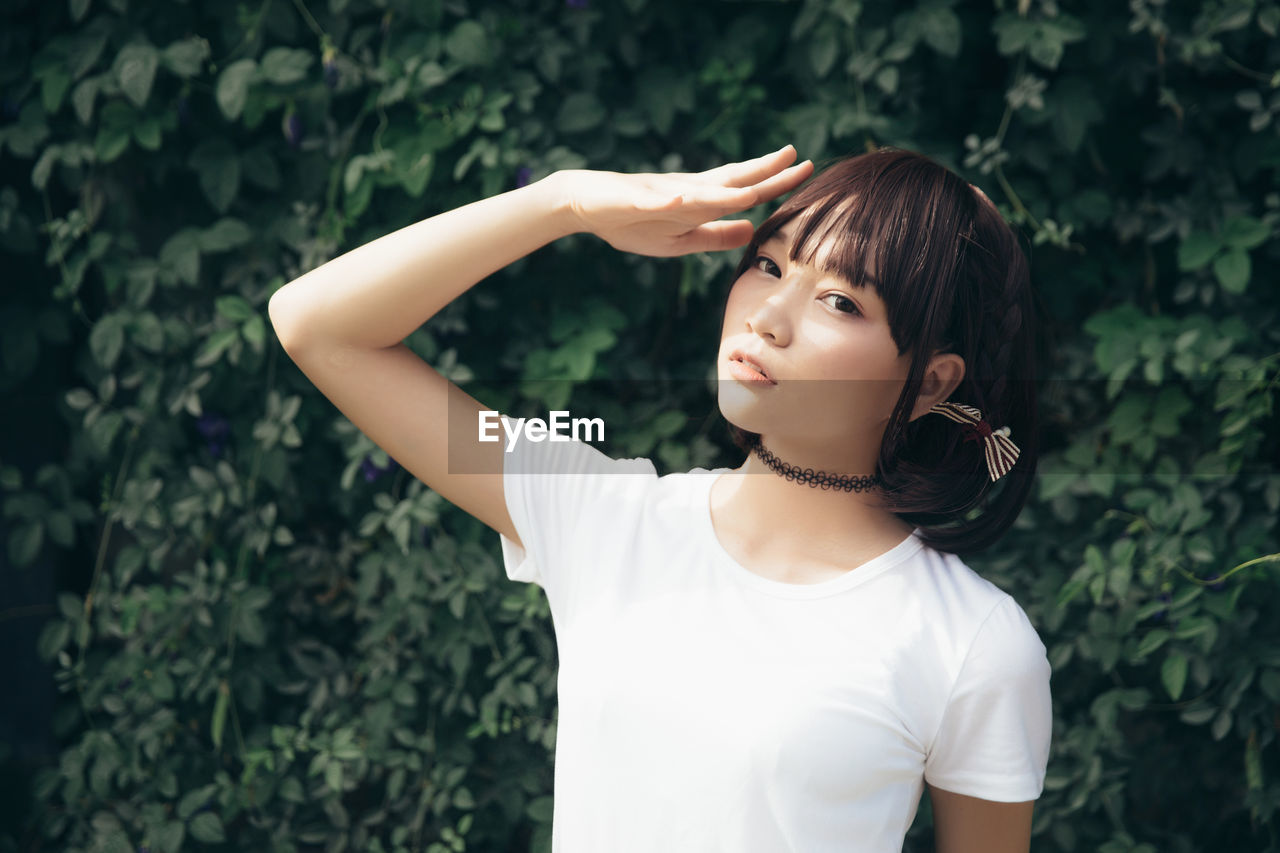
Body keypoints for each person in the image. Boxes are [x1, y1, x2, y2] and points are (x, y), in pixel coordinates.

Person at [268, 144, 1053, 853]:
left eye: (842, 301)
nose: (769, 318)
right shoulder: (599, 519)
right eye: (770, 266)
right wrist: (564, 202)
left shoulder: (972, 644)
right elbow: (318, 326)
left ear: (933, 383)